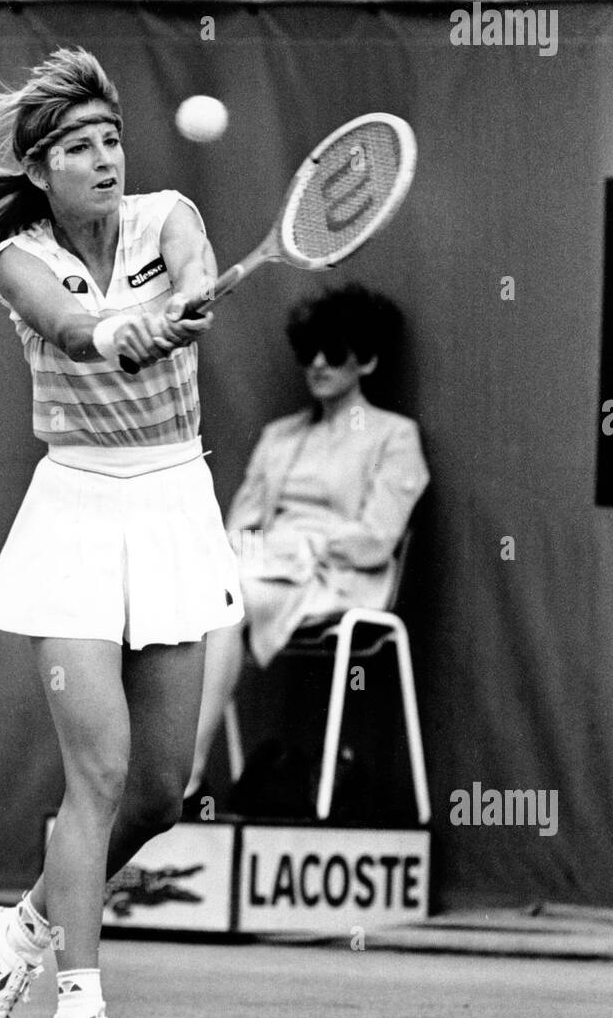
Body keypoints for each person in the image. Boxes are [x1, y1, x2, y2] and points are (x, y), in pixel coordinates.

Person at [0, 47, 243, 1018]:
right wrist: (120, 332)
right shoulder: (13, 248)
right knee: (94, 773)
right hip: (76, 513)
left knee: (157, 791)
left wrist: (177, 310)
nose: (102, 159)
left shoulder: (170, 215)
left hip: (173, 501)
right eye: (76, 147)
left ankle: (12, 931)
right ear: (40, 171)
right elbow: (65, 322)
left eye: (110, 140)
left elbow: (193, 282)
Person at [182, 284, 429, 811]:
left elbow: (376, 541)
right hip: (264, 573)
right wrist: (256, 553)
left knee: (228, 603)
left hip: (340, 582)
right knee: (197, 597)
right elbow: (239, 530)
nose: (317, 364)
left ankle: (186, 779)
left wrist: (298, 548)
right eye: (308, 352)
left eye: (334, 353)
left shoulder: (394, 436)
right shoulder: (280, 437)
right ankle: (154, 778)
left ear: (366, 361)